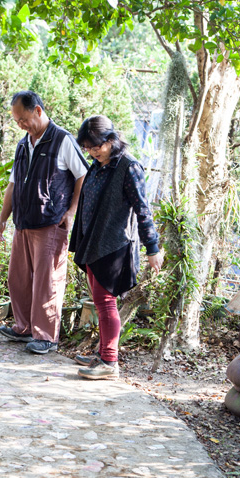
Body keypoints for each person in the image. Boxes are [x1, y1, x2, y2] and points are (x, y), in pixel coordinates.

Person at [0, 91, 88, 354]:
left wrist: (71, 212)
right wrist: (2, 220)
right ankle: (24, 328)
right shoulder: (23, 145)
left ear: (38, 111)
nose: (20, 124)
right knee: (17, 278)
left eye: (22, 118)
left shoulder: (62, 140)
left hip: (50, 223)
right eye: (16, 120)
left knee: (47, 280)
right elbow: (12, 185)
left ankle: (46, 336)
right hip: (23, 222)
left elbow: (83, 176)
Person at [69, 115, 163, 380]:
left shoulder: (129, 167)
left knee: (105, 301)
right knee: (100, 302)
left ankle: (110, 362)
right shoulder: (99, 165)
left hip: (113, 245)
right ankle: (102, 354)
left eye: (96, 146)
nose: (92, 151)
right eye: (87, 147)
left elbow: (143, 209)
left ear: (111, 139)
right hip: (92, 242)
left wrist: (152, 248)